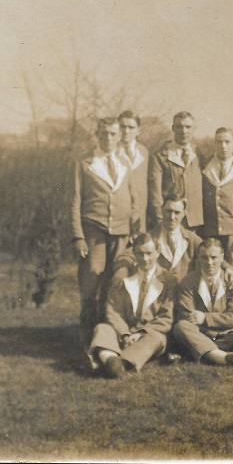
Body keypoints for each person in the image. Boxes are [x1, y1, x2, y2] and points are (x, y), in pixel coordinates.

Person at [71, 117, 139, 347]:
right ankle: (85, 335)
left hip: (121, 234)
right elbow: (73, 202)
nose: (108, 138)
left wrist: (135, 231)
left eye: (112, 134)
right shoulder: (85, 164)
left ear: (119, 136)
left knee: (116, 283)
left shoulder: (125, 164)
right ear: (97, 136)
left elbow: (134, 200)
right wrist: (78, 236)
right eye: (104, 134)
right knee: (92, 278)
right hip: (94, 232)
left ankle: (111, 335)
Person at [87, 233, 174, 378]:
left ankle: (117, 362)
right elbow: (113, 311)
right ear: (133, 254)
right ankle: (111, 360)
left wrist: (140, 334)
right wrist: (125, 333)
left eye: (149, 253)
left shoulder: (169, 280)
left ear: (158, 253)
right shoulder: (124, 277)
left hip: (148, 333)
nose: (145, 259)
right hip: (124, 332)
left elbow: (166, 318)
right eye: (140, 253)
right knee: (102, 328)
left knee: (158, 339)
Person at [172, 239, 233, 367]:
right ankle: (221, 357)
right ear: (198, 259)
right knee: (181, 326)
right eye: (204, 258)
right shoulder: (188, 281)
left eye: (214, 258)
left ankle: (203, 352)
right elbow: (187, 315)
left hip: (226, 334)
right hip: (200, 333)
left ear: (222, 258)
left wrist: (205, 318)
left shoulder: (231, 280)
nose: (209, 262)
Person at [147, 111, 205, 232]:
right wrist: (160, 221)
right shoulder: (160, 156)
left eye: (188, 127)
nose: (184, 131)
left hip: (194, 222)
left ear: (194, 128)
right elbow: (155, 195)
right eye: (179, 126)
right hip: (169, 220)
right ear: (173, 128)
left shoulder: (199, 154)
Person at [201, 127, 233, 251]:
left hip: (232, 232)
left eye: (227, 142)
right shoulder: (204, 167)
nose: (223, 146)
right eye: (219, 142)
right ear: (214, 144)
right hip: (208, 231)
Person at [117, 110, 150, 231]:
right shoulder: (110, 153)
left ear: (138, 131)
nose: (126, 131)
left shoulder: (144, 153)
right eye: (122, 127)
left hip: (139, 219)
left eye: (131, 127)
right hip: (116, 220)